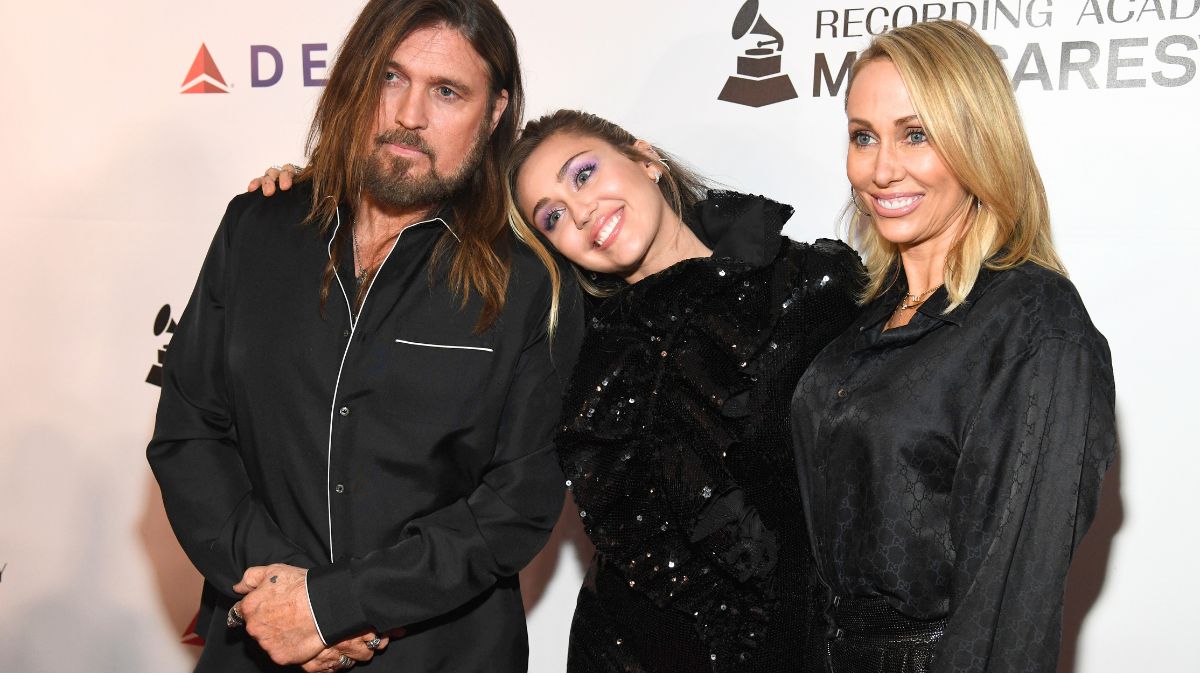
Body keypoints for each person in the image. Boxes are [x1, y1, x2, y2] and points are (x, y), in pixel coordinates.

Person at [256, 107, 864, 672]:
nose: (579, 212)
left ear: (646, 160)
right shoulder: (572, 347)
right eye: (551, 216)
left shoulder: (812, 290)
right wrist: (329, 196)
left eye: (584, 173)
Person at [148, 0, 584, 671]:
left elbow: (516, 503)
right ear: (356, 80)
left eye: (447, 91)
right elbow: (191, 433)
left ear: (494, 111)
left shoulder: (530, 284)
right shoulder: (257, 229)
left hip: (441, 655)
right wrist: (286, 599)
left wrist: (335, 604)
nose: (410, 115)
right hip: (255, 640)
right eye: (390, 77)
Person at [789, 20, 1117, 672]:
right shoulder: (866, 317)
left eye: (916, 134)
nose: (881, 168)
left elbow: (1009, 612)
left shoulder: (1033, 324)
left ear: (978, 141)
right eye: (863, 136)